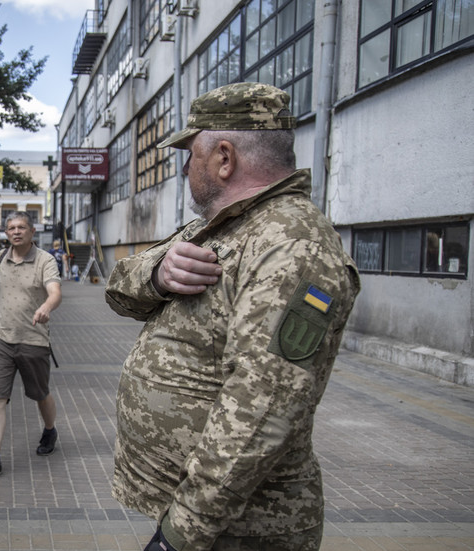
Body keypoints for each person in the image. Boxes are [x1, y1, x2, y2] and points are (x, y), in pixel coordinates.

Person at [105, 82, 361, 550]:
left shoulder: (291, 243)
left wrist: (180, 534)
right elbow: (118, 289)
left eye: (191, 152)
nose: (185, 167)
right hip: (197, 513)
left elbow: (263, 407)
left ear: (224, 157)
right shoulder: (221, 225)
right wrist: (157, 275)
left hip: (239, 529)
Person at [0, 212, 62, 479]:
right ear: (6, 232)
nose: (17, 231)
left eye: (22, 227)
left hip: (33, 340)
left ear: (32, 231)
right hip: (0, 339)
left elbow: (55, 292)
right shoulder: (0, 257)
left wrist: (46, 306)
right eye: (11, 228)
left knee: (40, 393)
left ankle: (49, 430)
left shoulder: (45, 260)